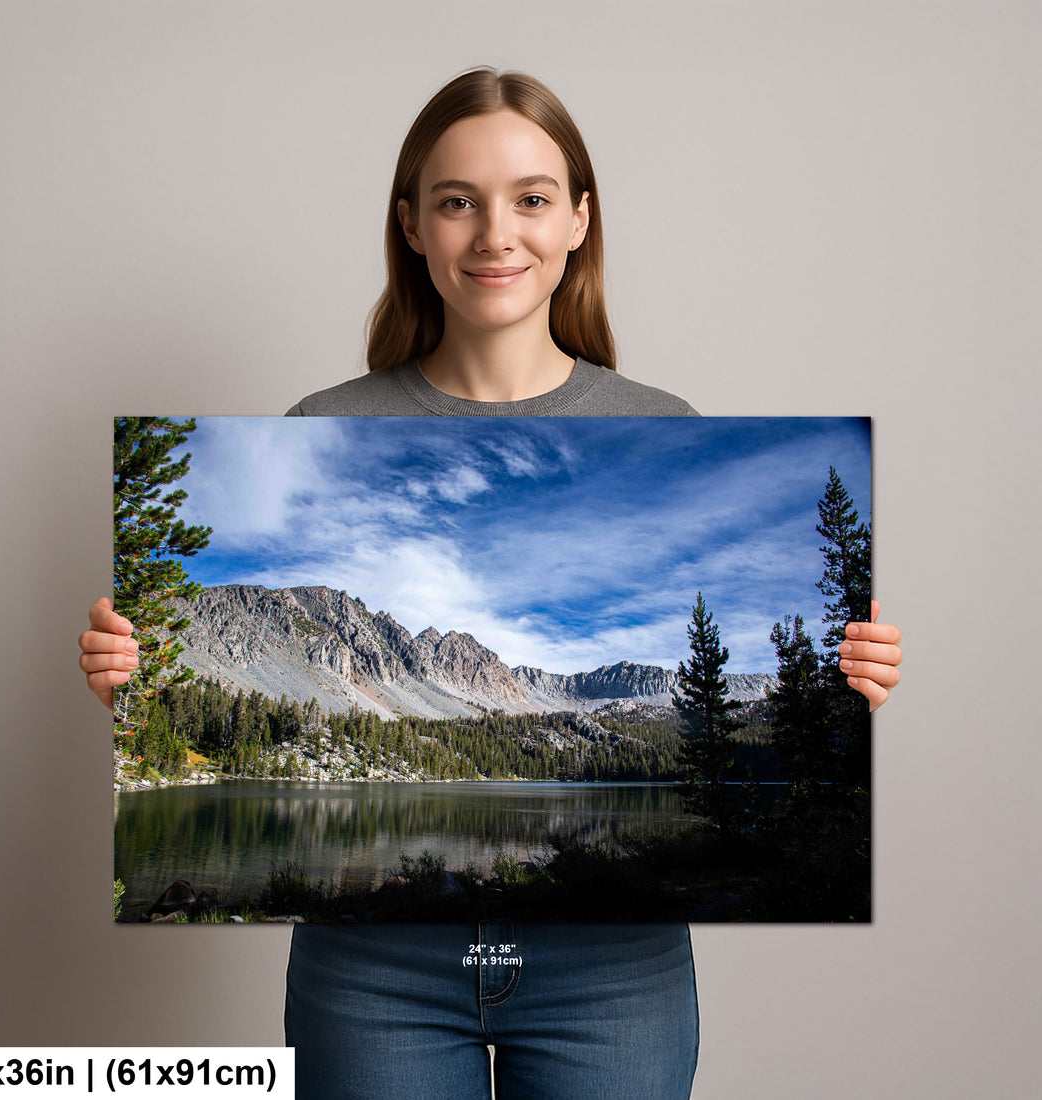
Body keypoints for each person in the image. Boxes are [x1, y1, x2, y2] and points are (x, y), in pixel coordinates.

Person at [80, 68, 903, 1099]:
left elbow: (833, 687)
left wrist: (853, 678)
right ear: (412, 224)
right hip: (371, 970)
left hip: (616, 972)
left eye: (529, 197)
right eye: (456, 200)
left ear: (576, 220)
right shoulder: (323, 418)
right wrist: (132, 679)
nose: (493, 233)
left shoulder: (662, 420)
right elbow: (144, 679)